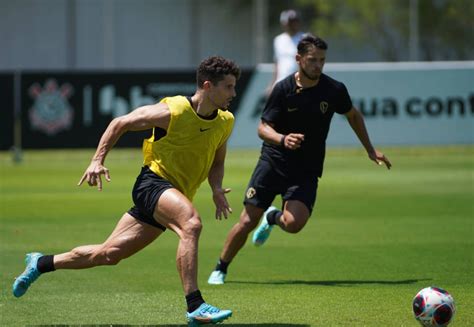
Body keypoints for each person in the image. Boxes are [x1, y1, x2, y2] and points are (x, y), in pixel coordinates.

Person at [13, 56, 240, 325]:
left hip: (172, 195)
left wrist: (215, 188)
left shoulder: (225, 121)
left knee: (108, 254)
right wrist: (97, 160)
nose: (233, 94)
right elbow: (120, 123)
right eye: (228, 87)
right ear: (207, 85)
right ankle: (195, 306)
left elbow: (218, 160)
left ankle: (41, 263)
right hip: (153, 184)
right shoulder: (173, 112)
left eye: (234, 87)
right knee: (191, 224)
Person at [208, 35, 392, 285]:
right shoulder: (283, 89)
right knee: (247, 220)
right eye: (312, 60)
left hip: (306, 168)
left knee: (294, 225)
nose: (318, 65)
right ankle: (221, 267)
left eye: (322, 60)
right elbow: (263, 128)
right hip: (273, 162)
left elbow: (353, 115)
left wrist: (370, 149)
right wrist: (283, 139)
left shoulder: (334, 89)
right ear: (298, 59)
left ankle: (273, 217)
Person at [267, 9, 305, 94]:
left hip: (299, 85)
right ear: (284, 23)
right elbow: (277, 64)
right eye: (291, 22)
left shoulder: (305, 38)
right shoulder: (278, 40)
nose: (293, 24)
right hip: (281, 84)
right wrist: (272, 84)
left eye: (295, 21)